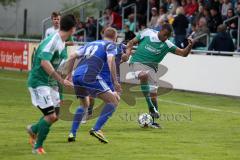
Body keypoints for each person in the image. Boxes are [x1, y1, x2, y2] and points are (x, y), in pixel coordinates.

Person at [121, 23, 193, 128]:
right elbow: (131, 42)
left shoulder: (167, 44)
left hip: (152, 69)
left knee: (154, 96)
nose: (166, 38)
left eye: (168, 36)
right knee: (143, 75)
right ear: (161, 30)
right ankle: (150, 106)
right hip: (136, 63)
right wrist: (127, 54)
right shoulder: (147, 33)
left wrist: (190, 45)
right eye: (165, 35)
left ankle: (153, 121)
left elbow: (183, 53)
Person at [26, 14, 77, 154]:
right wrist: (61, 80)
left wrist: (65, 77)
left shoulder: (61, 41)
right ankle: (38, 147)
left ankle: (33, 129)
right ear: (72, 29)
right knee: (51, 116)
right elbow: (44, 62)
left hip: (51, 82)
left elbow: (57, 64)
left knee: (57, 114)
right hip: (39, 82)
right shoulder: (54, 41)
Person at [67, 27, 121, 143]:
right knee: (114, 101)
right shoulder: (110, 45)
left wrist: (68, 75)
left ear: (103, 35)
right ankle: (96, 129)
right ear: (115, 38)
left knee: (84, 104)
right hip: (90, 75)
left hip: (77, 74)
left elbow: (72, 56)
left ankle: (72, 133)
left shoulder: (90, 43)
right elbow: (111, 61)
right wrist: (115, 81)